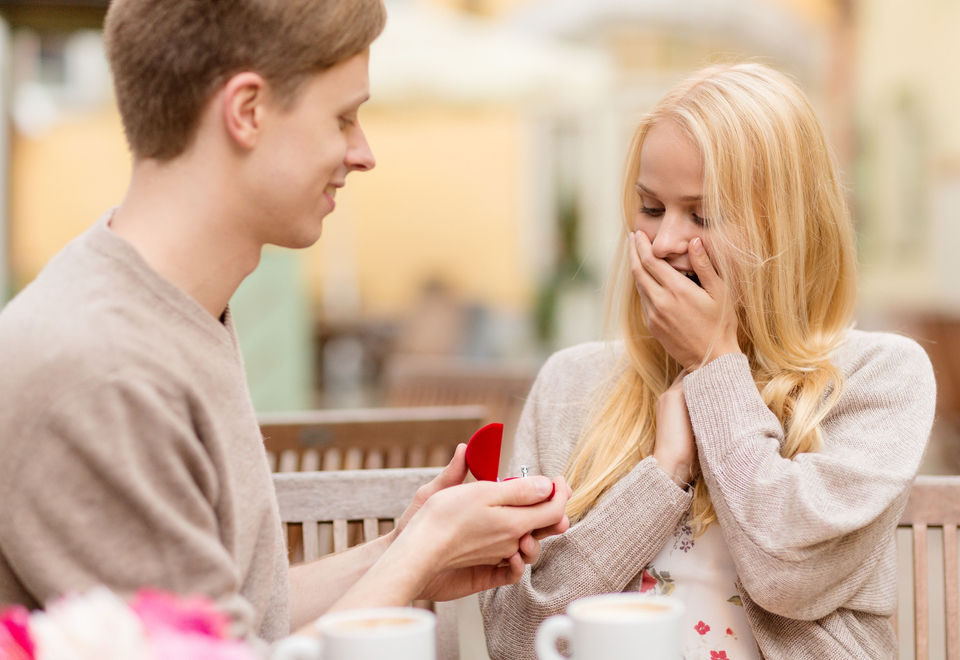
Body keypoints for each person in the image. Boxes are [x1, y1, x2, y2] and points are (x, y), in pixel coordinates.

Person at [0, 0, 570, 644]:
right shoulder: (99, 369)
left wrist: (402, 551)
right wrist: (424, 552)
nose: (364, 153)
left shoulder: (170, 313)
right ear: (247, 111)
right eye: (343, 117)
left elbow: (240, 615)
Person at [479, 62, 935, 659]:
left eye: (703, 214)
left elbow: (785, 575)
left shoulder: (881, 377)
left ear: (788, 230)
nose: (667, 241)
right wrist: (663, 476)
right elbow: (516, 639)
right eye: (650, 207)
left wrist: (717, 369)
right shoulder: (571, 382)